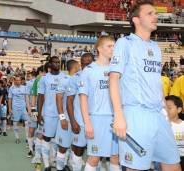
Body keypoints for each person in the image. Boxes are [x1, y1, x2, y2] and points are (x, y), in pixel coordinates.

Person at [109, 1, 181, 170]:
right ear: (136, 19)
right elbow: (113, 79)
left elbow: (156, 83)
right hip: (136, 115)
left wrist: (164, 111)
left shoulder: (155, 47)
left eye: (156, 13)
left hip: (158, 115)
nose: (155, 16)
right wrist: (118, 116)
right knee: (136, 167)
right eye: (150, 13)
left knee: (173, 164)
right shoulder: (124, 43)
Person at [79, 35, 120, 171]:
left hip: (116, 118)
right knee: (94, 158)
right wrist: (88, 123)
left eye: (114, 46)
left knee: (115, 156)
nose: (113, 49)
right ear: (99, 49)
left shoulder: (117, 69)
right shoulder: (88, 70)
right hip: (97, 119)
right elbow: (83, 99)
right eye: (109, 46)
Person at [37, 56, 66, 171]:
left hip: (61, 115)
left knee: (60, 140)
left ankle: (56, 162)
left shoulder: (65, 77)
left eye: (58, 62)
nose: (57, 64)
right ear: (49, 64)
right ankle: (47, 165)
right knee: (47, 138)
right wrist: (39, 114)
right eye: (55, 62)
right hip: (48, 114)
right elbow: (41, 97)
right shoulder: (44, 79)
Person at [55, 59, 79, 171]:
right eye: (78, 66)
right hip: (67, 119)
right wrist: (62, 118)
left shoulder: (79, 79)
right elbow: (58, 99)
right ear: (75, 67)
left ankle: (68, 166)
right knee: (63, 147)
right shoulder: (64, 80)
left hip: (77, 119)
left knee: (76, 147)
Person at [8, 75, 31, 143]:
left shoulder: (25, 88)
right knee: (15, 123)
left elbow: (27, 99)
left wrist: (29, 109)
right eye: (16, 80)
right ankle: (17, 137)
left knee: (27, 122)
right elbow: (10, 99)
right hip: (15, 108)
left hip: (23, 108)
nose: (18, 81)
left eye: (19, 80)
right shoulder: (11, 88)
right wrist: (9, 108)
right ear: (14, 81)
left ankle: (27, 137)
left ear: (21, 81)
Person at [165, 95, 184, 169]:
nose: (166, 110)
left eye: (169, 108)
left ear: (179, 110)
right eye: (164, 108)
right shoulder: (163, 126)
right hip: (168, 160)